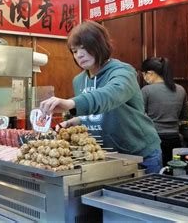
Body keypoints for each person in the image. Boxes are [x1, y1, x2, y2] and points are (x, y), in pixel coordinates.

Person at [39, 21, 162, 174]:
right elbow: (99, 113)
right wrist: (77, 121)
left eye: (84, 48)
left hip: (140, 154)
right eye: (74, 51)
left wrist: (71, 103)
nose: (79, 55)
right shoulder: (79, 80)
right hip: (106, 156)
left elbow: (110, 95)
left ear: (100, 45)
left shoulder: (123, 72)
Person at [141, 57, 188, 166]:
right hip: (175, 140)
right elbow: (184, 117)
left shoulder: (147, 90)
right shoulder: (180, 89)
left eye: (143, 74)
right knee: (175, 171)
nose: (144, 78)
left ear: (150, 73)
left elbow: (139, 117)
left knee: (157, 175)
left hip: (154, 140)